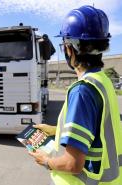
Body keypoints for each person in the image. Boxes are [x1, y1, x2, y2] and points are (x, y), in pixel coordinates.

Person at [29, 5, 122, 185]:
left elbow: (73, 164)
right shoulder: (103, 81)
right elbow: (97, 130)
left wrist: (46, 161)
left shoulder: (82, 90)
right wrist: (56, 131)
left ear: (70, 48)